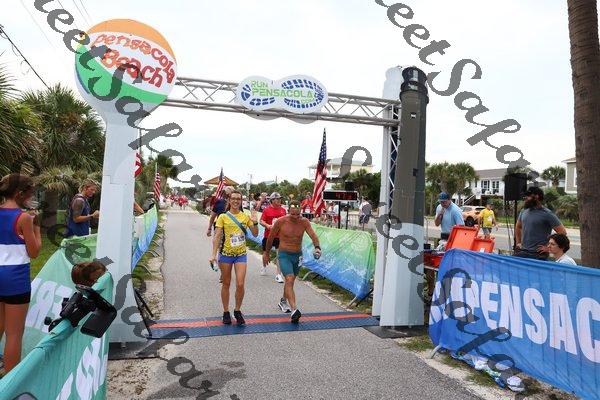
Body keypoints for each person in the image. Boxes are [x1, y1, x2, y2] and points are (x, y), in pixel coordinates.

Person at [0, 174, 42, 373]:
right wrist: (36, 227)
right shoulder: (23, 217)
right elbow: (34, 252)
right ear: (20, 194)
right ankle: (11, 382)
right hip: (15, 279)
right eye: (30, 194)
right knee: (14, 334)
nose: (31, 198)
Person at [262, 201, 321, 323]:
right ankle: (294, 310)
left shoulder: (304, 222)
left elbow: (313, 235)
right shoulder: (281, 221)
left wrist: (317, 247)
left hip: (297, 256)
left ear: (300, 212)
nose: (295, 217)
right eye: (293, 214)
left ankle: (283, 301)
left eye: (298, 214)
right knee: (289, 279)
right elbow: (270, 238)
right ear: (288, 211)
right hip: (284, 255)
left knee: (291, 281)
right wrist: (266, 253)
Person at [209, 190, 259, 325]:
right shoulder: (223, 217)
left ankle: (237, 310)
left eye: (238, 199)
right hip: (226, 255)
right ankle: (226, 312)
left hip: (240, 255)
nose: (236, 201)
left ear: (241, 201)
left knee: (240, 284)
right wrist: (213, 254)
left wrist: (255, 222)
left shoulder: (245, 217)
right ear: (229, 200)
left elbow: (255, 234)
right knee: (226, 283)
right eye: (234, 198)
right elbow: (217, 236)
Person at [515, 186, 567, 260]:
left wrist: (548, 248)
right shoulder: (524, 211)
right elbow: (518, 227)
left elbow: (562, 232)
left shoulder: (547, 214)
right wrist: (518, 243)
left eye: (528, 196)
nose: (525, 198)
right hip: (522, 251)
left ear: (536, 197)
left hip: (538, 254)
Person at [260, 192, 287, 282]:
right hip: (268, 236)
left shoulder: (283, 210)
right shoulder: (266, 210)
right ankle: (264, 267)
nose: (279, 200)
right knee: (265, 253)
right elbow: (261, 221)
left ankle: (278, 274)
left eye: (280, 199)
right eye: (277, 199)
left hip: (279, 236)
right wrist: (268, 226)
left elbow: (285, 221)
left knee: (279, 255)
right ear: (272, 200)